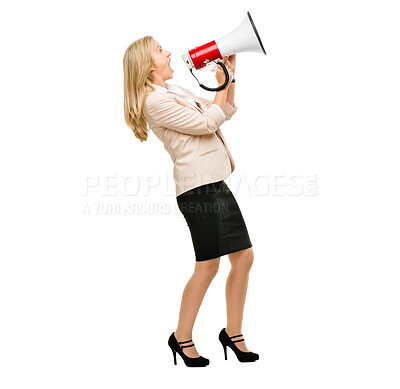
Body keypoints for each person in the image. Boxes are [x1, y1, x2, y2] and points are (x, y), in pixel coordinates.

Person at [123, 36, 259, 367]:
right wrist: (220, 85)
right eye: (159, 50)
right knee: (208, 266)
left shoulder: (174, 93)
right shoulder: (153, 102)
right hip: (199, 189)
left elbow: (222, 111)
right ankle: (182, 338)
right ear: (147, 65)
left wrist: (229, 78)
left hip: (213, 184)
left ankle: (233, 334)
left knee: (242, 258)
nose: (168, 51)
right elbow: (206, 122)